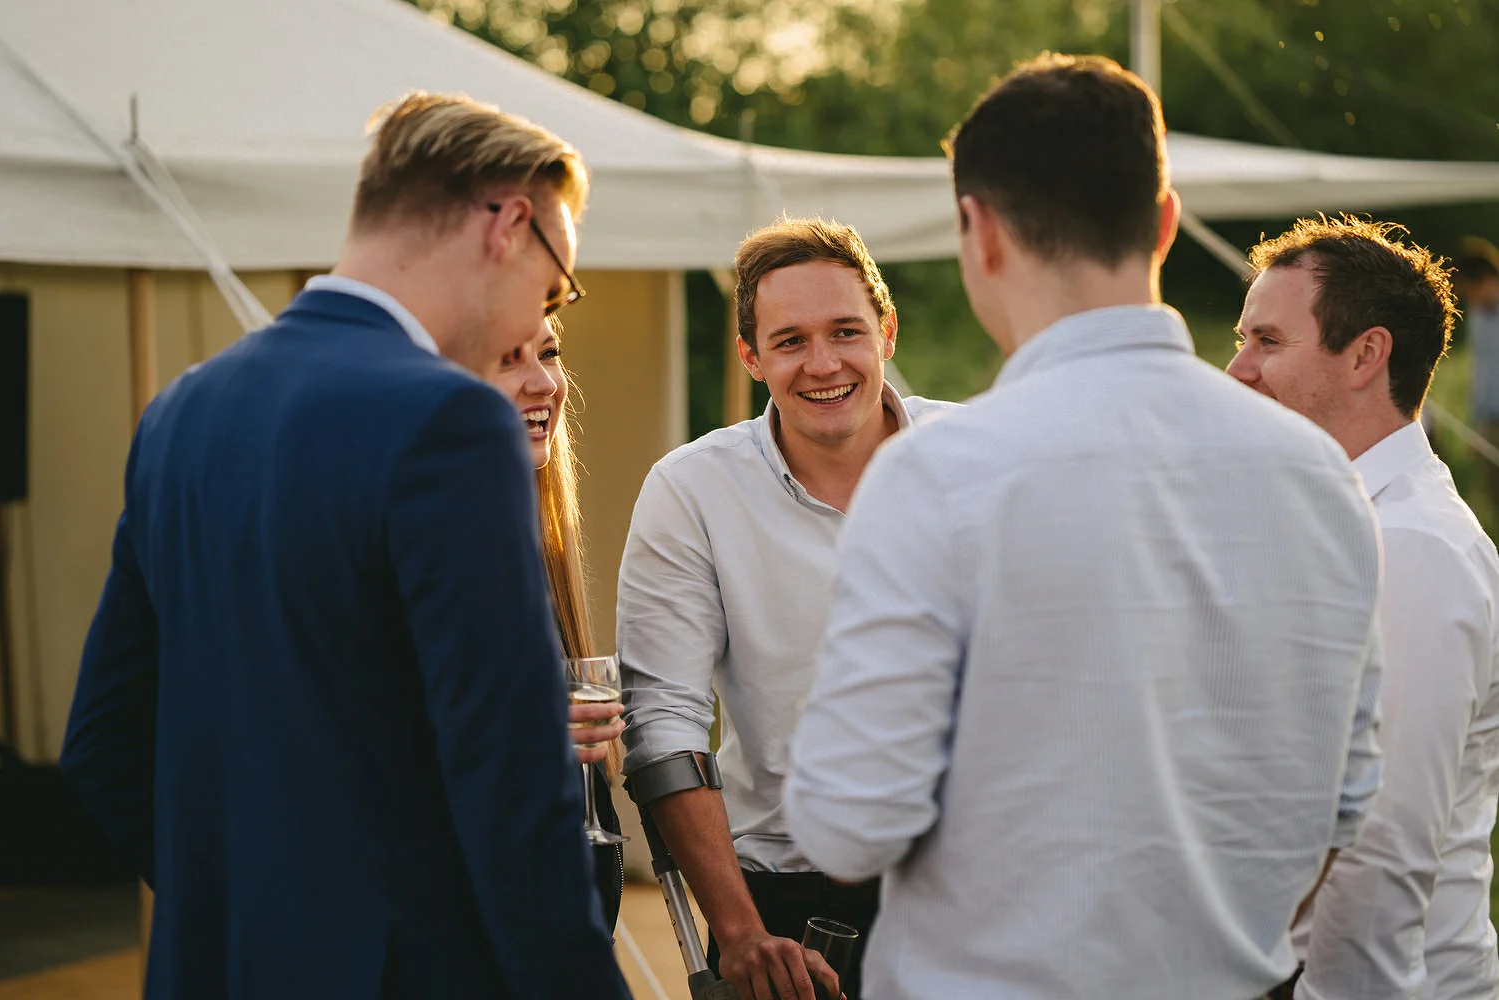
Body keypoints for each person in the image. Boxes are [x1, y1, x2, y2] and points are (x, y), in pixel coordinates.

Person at [783, 54, 1386, 1000]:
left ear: (978, 232)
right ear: (1163, 222)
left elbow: (847, 828)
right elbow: (1341, 808)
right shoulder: (1322, 479)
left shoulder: (939, 475)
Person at [59, 92, 629, 1000]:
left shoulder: (180, 411)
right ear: (509, 226)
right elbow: (513, 793)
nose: (539, 320)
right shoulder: (449, 418)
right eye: (555, 286)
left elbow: (100, 742)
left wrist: (257, 909)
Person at [617, 216, 955, 1000]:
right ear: (751, 355)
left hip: (972, 892)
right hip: (784, 904)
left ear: (888, 330)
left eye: (845, 331)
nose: (824, 364)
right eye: (791, 340)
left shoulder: (977, 455)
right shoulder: (692, 489)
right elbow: (662, 722)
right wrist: (738, 933)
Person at [1228, 216, 1499, 1000]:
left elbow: (1379, 859)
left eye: (1267, 342)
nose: (1236, 369)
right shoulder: (1337, 520)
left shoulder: (1412, 548)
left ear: (1366, 355)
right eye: (1242, 338)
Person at [487, 315, 628, 932]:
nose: (543, 382)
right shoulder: (435, 554)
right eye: (507, 359)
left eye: (549, 352)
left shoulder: (531, 540)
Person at [1452, 239, 1499, 507]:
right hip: (1491, 424)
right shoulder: (1477, 315)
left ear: (1485, 279)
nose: (1468, 298)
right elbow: (1480, 371)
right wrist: (1478, 426)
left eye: (1469, 290)